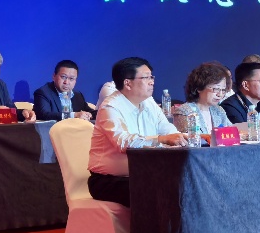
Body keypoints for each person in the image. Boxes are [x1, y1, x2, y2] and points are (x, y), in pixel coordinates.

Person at [87, 57, 183, 207]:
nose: (152, 82)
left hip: (144, 174)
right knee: (157, 190)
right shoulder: (110, 106)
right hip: (108, 180)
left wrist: (183, 138)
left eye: (152, 77)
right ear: (128, 83)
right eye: (146, 77)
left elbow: (167, 129)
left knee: (182, 184)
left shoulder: (149, 102)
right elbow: (124, 142)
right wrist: (162, 139)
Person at [174, 62, 232, 134]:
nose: (220, 94)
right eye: (216, 89)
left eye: (223, 90)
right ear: (199, 88)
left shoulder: (219, 110)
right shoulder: (184, 112)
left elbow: (231, 133)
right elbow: (189, 138)